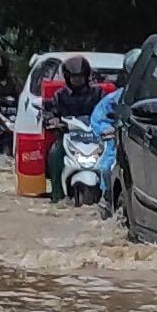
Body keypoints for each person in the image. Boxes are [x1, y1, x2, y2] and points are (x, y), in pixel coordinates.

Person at [44, 55, 106, 201]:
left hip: (96, 138)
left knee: (114, 157)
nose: (77, 80)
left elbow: (108, 110)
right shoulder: (59, 96)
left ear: (86, 76)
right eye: (74, 77)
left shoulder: (98, 94)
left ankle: (111, 196)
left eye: (80, 76)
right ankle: (57, 195)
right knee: (54, 154)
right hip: (68, 138)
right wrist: (52, 120)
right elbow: (48, 111)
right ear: (67, 77)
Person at [90, 47, 140, 209]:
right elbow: (99, 118)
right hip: (119, 143)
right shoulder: (116, 98)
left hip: (145, 146)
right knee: (106, 168)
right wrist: (107, 130)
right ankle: (108, 198)